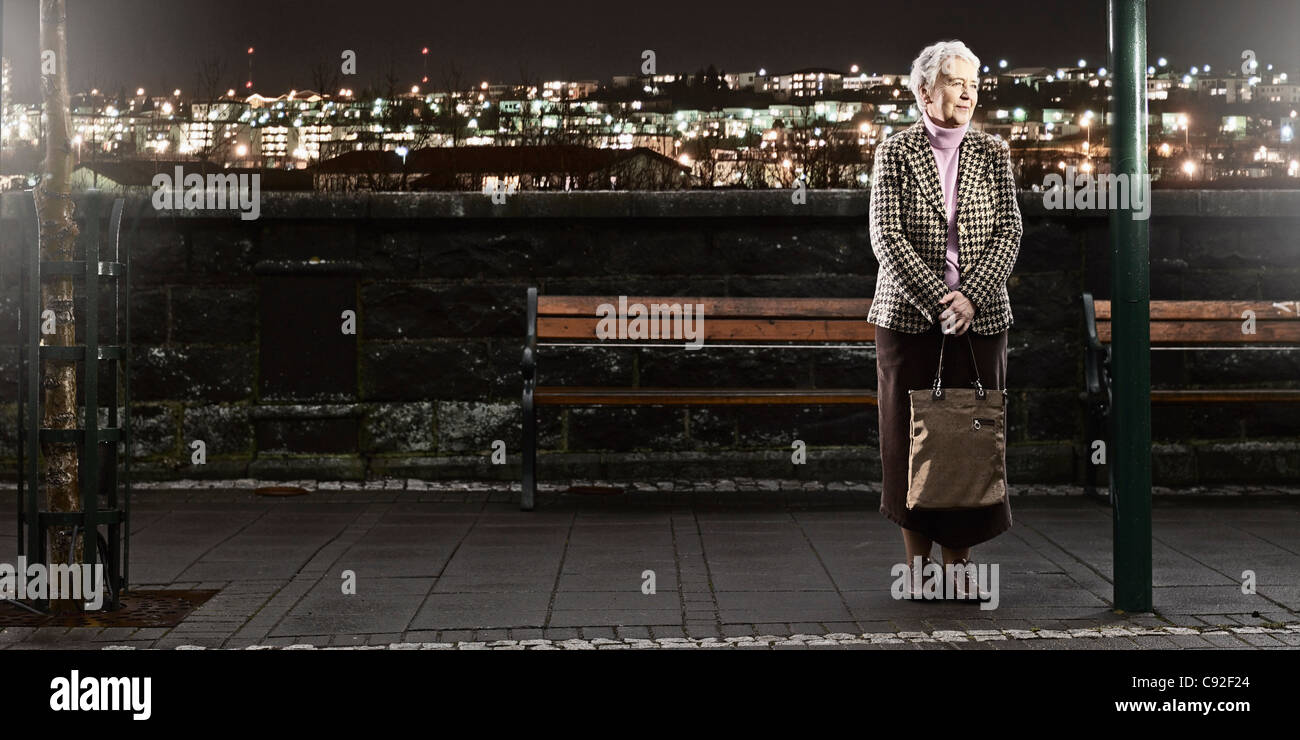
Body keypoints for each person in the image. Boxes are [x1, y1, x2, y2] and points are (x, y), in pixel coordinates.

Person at [867, 39, 1023, 600]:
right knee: (908, 441)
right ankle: (916, 569)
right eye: (956, 81)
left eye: (974, 83)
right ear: (925, 88)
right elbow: (887, 236)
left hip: (980, 321)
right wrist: (942, 298)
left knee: (968, 439)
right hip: (908, 318)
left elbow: (1010, 231)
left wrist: (972, 297)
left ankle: (957, 568)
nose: (967, 91)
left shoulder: (994, 153)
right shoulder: (895, 152)